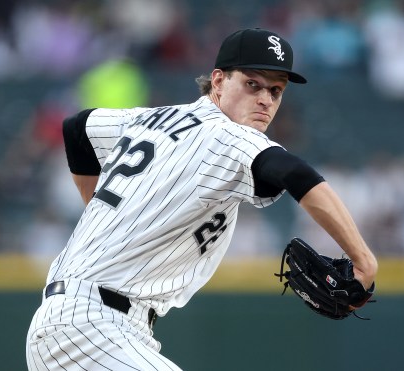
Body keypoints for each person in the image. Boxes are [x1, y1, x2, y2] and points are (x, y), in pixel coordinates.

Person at [26, 28, 378, 370]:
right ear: (219, 80)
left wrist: (102, 211)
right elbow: (298, 175)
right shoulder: (229, 135)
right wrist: (364, 261)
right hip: (90, 329)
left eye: (276, 90)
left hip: (93, 327)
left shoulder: (151, 118)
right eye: (252, 84)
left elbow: (79, 127)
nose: (265, 100)